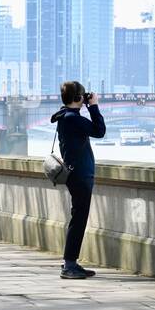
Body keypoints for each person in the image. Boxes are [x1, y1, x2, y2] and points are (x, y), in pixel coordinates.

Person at [50, 81, 106, 280]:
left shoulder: (64, 117)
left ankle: (71, 262)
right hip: (81, 175)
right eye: (82, 96)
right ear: (77, 98)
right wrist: (95, 106)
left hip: (75, 174)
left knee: (78, 218)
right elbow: (100, 131)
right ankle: (69, 264)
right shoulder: (73, 118)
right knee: (79, 219)